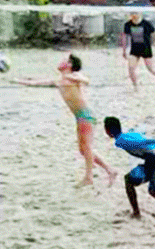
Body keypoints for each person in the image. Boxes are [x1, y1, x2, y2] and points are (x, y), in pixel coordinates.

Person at [12, 54, 117, 188]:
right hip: (80, 117)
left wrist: (72, 77)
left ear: (70, 65)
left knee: (87, 148)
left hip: (86, 115)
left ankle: (89, 177)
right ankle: (110, 170)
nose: (61, 62)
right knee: (83, 150)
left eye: (64, 60)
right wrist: (18, 81)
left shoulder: (74, 76)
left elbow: (86, 80)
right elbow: (36, 83)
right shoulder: (59, 81)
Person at [103, 116, 155, 227]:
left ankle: (139, 213)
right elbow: (140, 138)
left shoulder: (120, 141)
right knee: (142, 186)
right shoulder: (127, 135)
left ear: (108, 130)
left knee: (147, 189)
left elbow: (141, 142)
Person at [121, 11, 155, 90]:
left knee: (150, 68)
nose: (133, 16)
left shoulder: (146, 23)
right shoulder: (127, 25)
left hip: (146, 49)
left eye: (135, 14)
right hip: (134, 50)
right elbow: (124, 38)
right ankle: (136, 87)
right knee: (131, 70)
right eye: (132, 14)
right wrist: (124, 50)